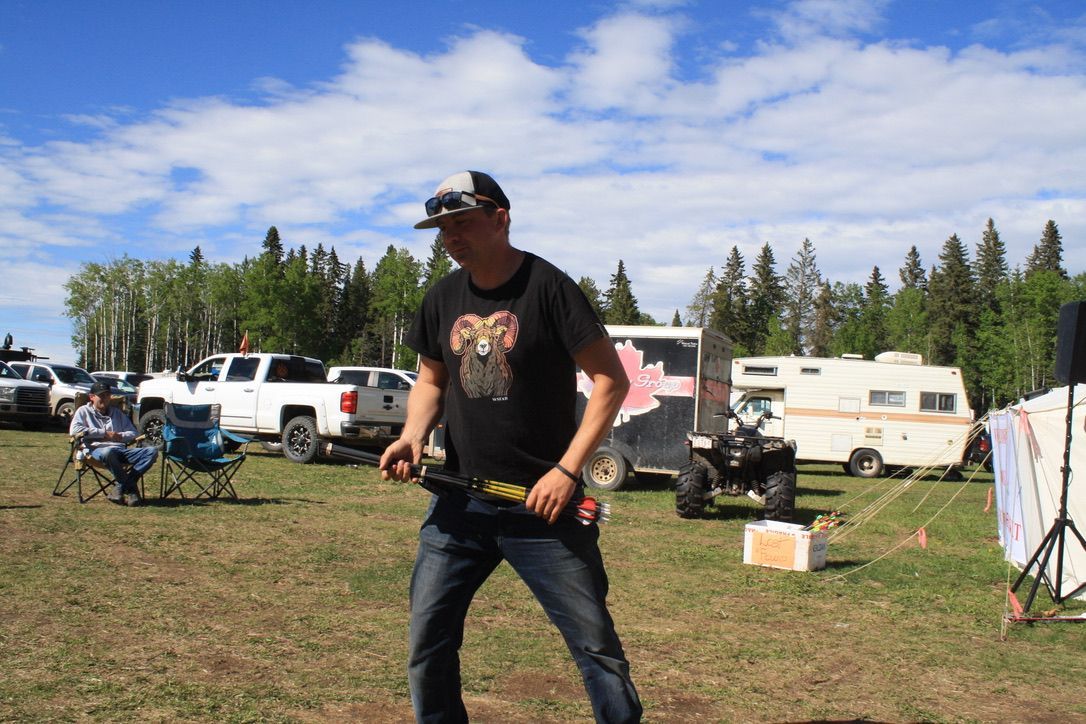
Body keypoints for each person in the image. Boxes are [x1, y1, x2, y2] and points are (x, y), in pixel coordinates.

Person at [380, 170, 642, 723]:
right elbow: (431, 379)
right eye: (442, 227)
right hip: (458, 505)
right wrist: (412, 435)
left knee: (596, 650)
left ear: (501, 218)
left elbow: (611, 381)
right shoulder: (442, 297)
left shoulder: (549, 288)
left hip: (543, 508)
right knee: (427, 647)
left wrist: (568, 471)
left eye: (463, 222)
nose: (451, 236)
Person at [69, 381, 158, 506]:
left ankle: (120, 487)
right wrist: (103, 434)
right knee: (108, 452)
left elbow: (133, 433)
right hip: (97, 450)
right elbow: (74, 430)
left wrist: (120, 436)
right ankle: (131, 489)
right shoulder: (83, 411)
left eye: (107, 395)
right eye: (102, 396)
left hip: (120, 450)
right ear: (92, 397)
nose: (105, 399)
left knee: (152, 452)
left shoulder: (117, 413)